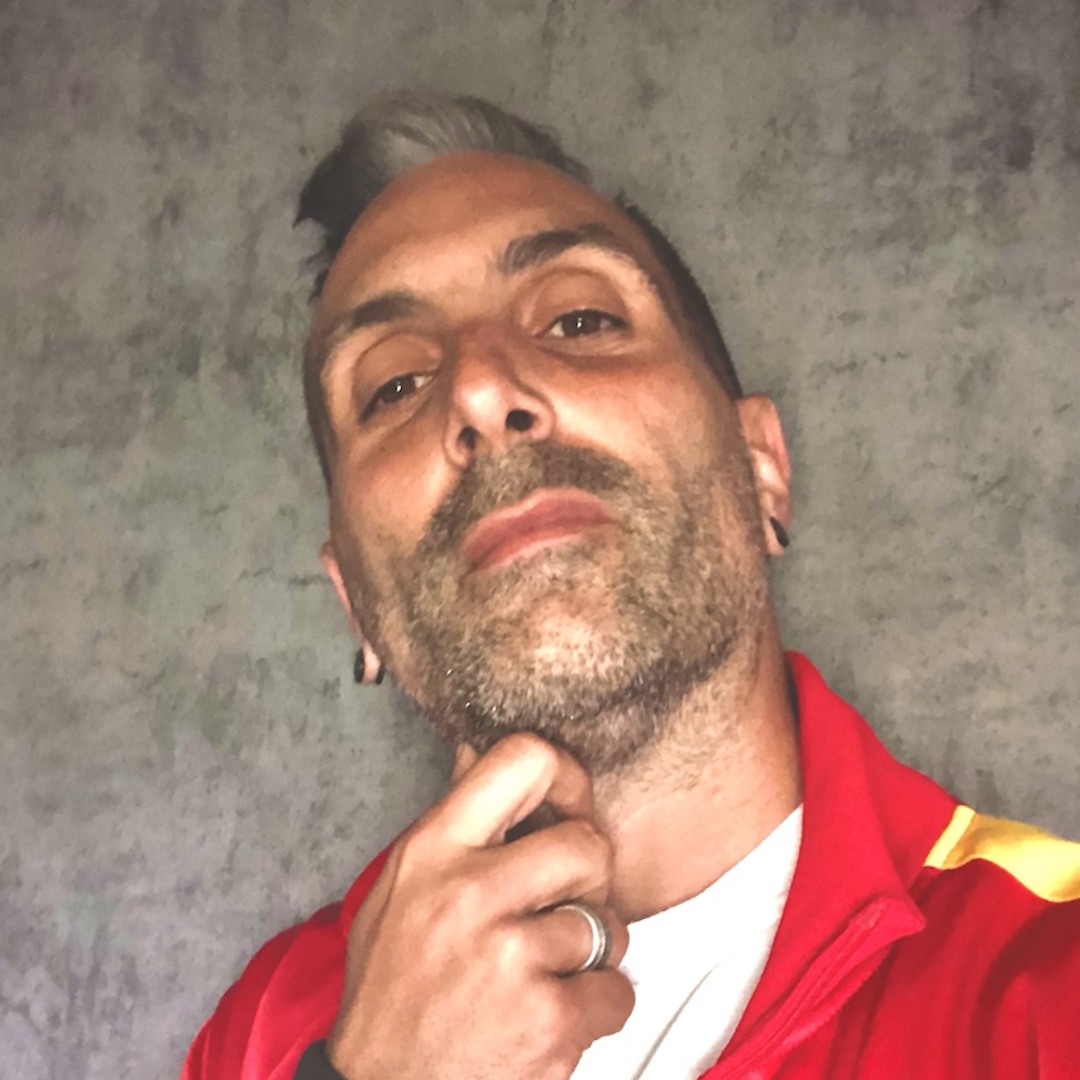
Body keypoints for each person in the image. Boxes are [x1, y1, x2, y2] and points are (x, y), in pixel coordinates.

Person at [182, 95, 1080, 1080]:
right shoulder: (270, 1033)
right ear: (357, 605)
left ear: (760, 470)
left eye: (580, 319)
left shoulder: (1052, 980)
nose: (479, 390)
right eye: (394, 386)